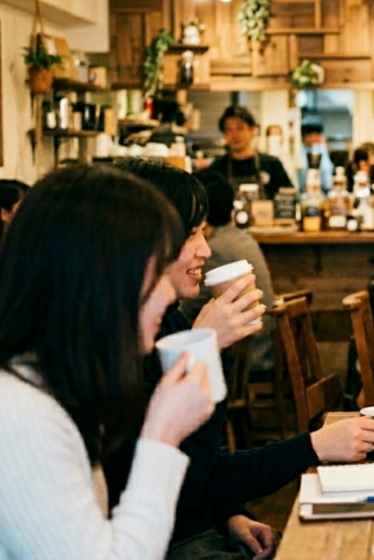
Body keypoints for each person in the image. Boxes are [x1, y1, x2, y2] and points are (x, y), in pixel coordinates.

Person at [106, 158, 374, 560]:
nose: (206, 249)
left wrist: (230, 514)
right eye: (192, 234)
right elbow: (180, 478)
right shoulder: (118, 344)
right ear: (143, 240)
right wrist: (313, 447)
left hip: (197, 528)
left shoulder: (168, 321)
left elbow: (198, 466)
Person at [0, 165, 214, 558]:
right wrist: (161, 436)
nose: (168, 294)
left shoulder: (63, 385)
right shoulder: (20, 415)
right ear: (101, 280)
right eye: (154, 270)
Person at [180, 170, 277, 379]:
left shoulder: (215, 250)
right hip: (264, 349)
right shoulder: (240, 237)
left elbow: (187, 311)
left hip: (249, 360)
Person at [208, 105, 292, 200]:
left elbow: (288, 198)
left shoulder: (272, 165)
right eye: (229, 130)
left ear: (253, 130)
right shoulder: (217, 168)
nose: (235, 135)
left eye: (240, 128)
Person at [299, 116, 334, 194]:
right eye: (310, 135)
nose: (314, 138)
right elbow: (301, 174)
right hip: (304, 192)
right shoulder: (300, 151)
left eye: (317, 134)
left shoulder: (323, 149)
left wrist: (321, 146)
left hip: (324, 192)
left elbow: (326, 178)